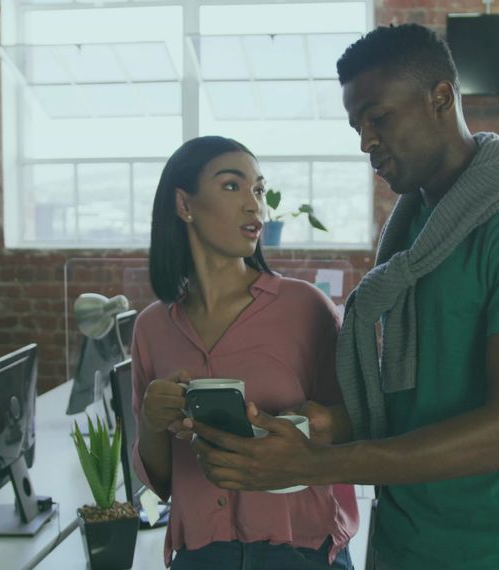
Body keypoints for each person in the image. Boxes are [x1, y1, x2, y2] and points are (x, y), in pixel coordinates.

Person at [187, 25, 499, 570]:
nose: (365, 141)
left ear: (440, 98)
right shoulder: (416, 231)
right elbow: (423, 396)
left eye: (378, 118)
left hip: (493, 548)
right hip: (401, 533)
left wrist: (315, 464)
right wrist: (326, 427)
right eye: (357, 125)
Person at [130, 135, 359, 569]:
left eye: (257, 189)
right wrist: (151, 421)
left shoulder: (305, 307)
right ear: (184, 205)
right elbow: (161, 482)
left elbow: (356, 427)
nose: (255, 205)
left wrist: (309, 428)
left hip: (299, 551)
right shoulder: (152, 328)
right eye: (232, 186)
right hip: (199, 555)